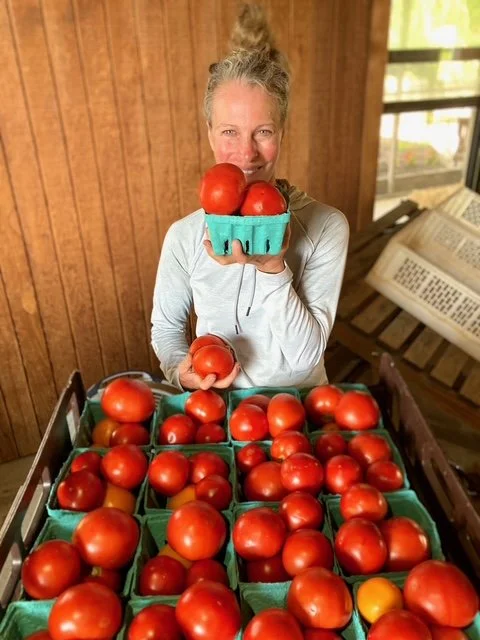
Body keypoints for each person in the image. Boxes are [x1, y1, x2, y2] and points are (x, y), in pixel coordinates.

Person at [151, 3, 349, 391]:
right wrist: (180, 371)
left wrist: (273, 268)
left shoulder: (326, 226)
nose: (246, 153)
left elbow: (307, 358)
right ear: (210, 132)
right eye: (229, 132)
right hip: (218, 409)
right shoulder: (184, 236)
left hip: (297, 408)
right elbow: (167, 327)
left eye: (263, 132)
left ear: (282, 133)